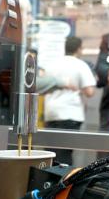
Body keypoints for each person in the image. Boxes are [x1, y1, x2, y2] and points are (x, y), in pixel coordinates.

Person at [41, 36, 96, 165]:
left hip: (51, 113)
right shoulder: (80, 65)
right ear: (78, 49)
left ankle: (50, 180)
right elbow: (89, 92)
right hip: (70, 114)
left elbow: (43, 86)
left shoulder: (52, 64)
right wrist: (78, 88)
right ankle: (65, 182)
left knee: (51, 152)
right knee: (65, 152)